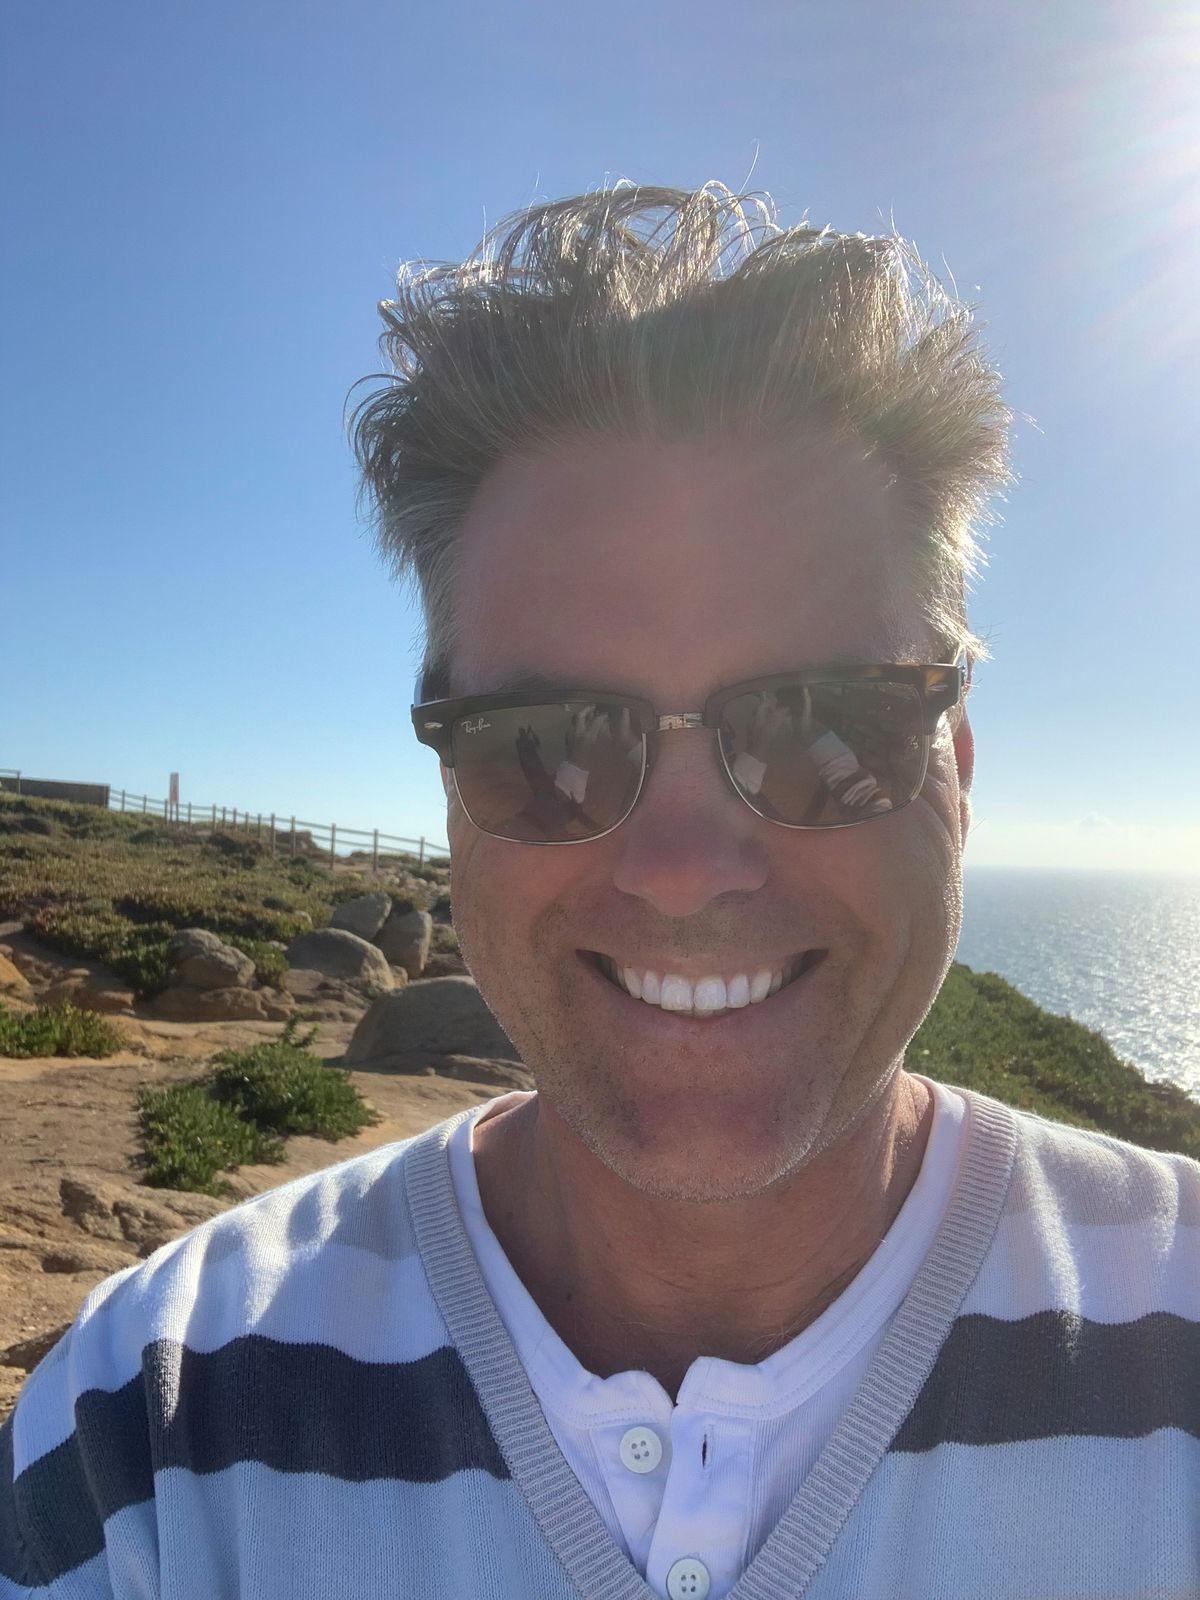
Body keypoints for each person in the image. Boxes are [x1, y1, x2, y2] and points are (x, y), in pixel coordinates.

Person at [2, 184, 1196, 1600]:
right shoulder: (148, 1432)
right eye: (549, 746)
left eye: (829, 726)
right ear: (453, 790)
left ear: (961, 771)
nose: (684, 870)